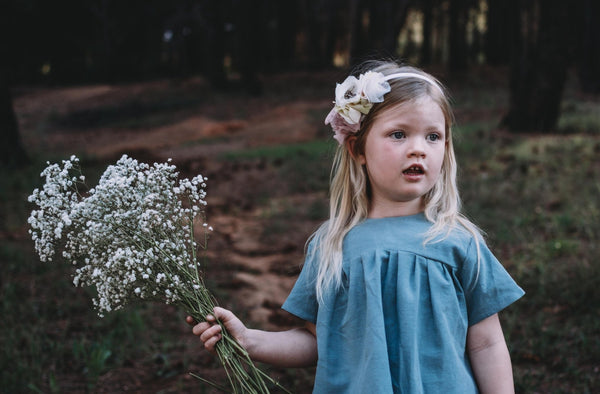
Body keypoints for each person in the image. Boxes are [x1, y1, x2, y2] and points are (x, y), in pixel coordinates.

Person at [187, 59, 525, 393]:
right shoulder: (333, 245)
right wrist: (250, 340)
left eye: (433, 136)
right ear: (357, 148)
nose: (418, 149)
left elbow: (486, 345)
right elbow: (318, 341)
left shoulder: (458, 242)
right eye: (398, 134)